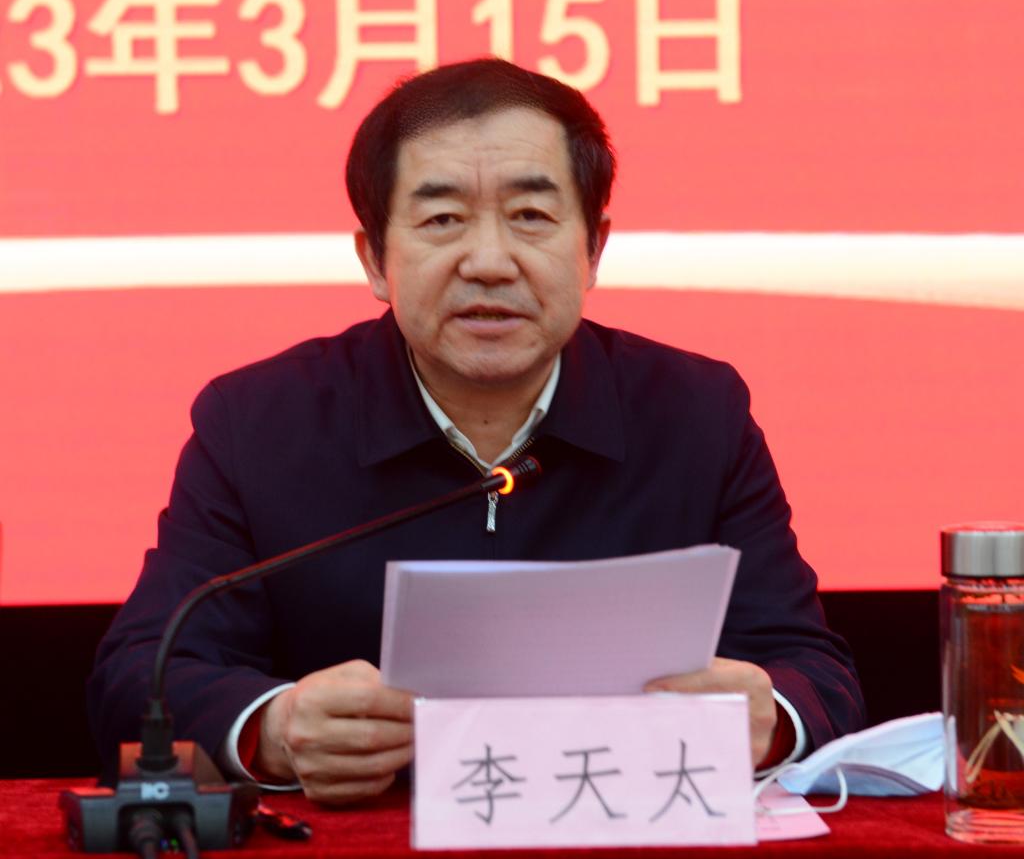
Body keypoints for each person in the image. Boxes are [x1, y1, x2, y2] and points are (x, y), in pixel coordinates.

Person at [88, 59, 864, 805]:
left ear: (593, 249)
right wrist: (275, 728)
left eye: (531, 217)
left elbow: (816, 675)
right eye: (442, 219)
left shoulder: (697, 412)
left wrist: (768, 717)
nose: (489, 262)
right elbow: (139, 675)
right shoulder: (257, 421)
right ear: (374, 258)